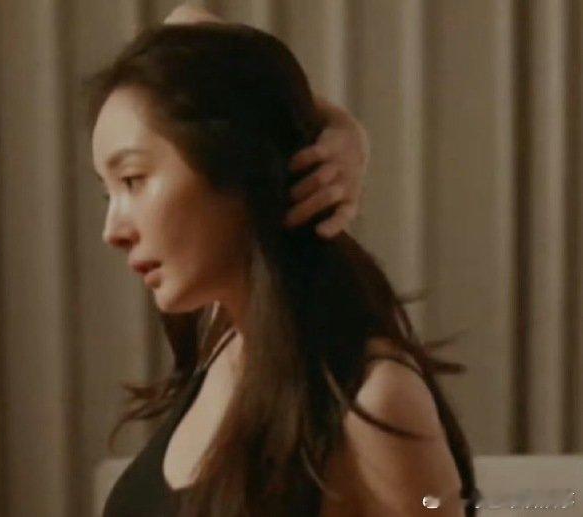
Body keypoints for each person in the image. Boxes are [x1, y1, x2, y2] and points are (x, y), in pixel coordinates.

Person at [86, 7, 478, 517]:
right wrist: (329, 122)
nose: (112, 231)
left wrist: (304, 131)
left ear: (236, 159)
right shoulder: (231, 344)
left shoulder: (373, 402)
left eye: (133, 180)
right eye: (109, 193)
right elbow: (188, 22)